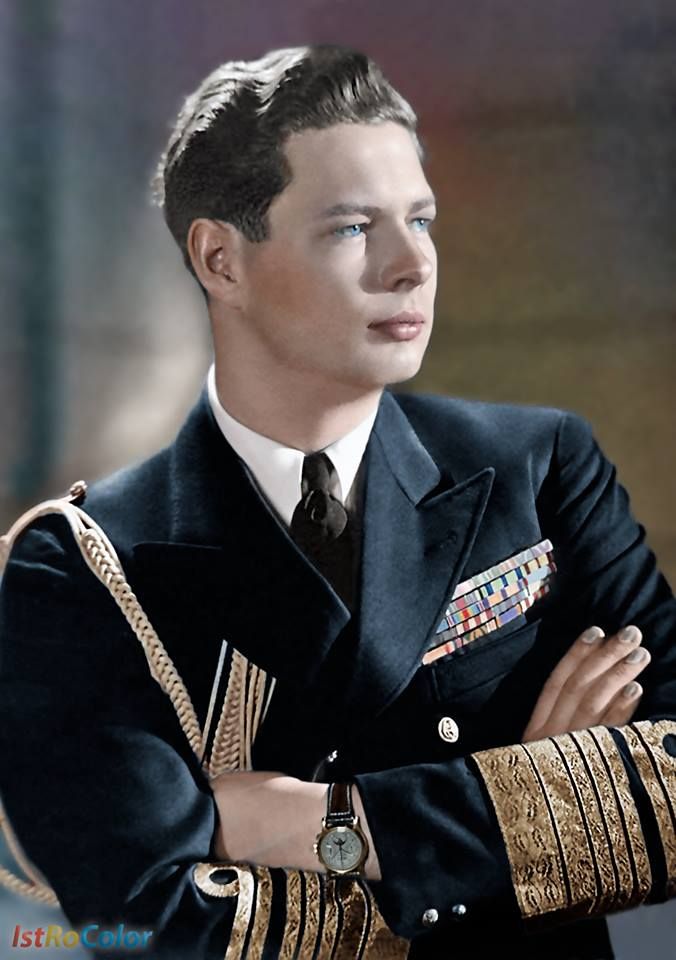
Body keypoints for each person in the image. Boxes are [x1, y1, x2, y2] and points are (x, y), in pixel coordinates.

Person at [0, 44, 674, 960]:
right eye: (353, 227)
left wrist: (321, 822)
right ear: (221, 260)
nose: (413, 264)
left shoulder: (540, 467)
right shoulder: (84, 565)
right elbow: (158, 927)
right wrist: (542, 806)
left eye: (421, 219)